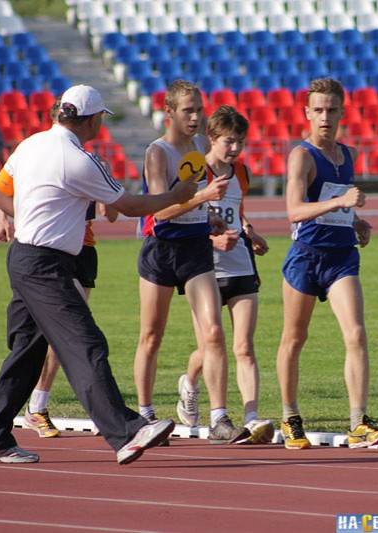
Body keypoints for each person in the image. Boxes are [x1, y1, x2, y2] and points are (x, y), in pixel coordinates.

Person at [0, 84, 196, 465]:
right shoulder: (78, 159)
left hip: (24, 256)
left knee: (27, 352)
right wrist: (178, 196)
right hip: (46, 265)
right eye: (99, 120)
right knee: (85, 343)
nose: (100, 127)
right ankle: (126, 431)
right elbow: (129, 205)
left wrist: (29, 220)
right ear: (90, 120)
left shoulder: (31, 144)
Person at [275, 78, 378, 450]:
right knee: (295, 339)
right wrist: (340, 204)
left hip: (342, 257)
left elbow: (335, 207)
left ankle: (358, 422)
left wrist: (356, 223)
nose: (325, 117)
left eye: (332, 110)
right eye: (319, 111)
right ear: (307, 113)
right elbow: (294, 211)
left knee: (356, 334)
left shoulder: (348, 155)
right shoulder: (302, 156)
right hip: (306, 258)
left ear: (342, 112)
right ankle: (291, 415)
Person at [134, 80, 249, 445]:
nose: (197, 117)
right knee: (152, 335)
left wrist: (210, 218)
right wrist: (202, 197)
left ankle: (219, 418)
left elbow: (196, 203)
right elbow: (160, 209)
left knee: (214, 332)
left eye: (199, 109)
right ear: (169, 112)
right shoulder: (158, 152)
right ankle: (145, 415)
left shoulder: (201, 146)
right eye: (189, 110)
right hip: (162, 248)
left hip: (196, 247)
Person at [0, 101, 116, 439]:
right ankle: (116, 425)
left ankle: (14, 419)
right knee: (74, 337)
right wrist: (15, 217)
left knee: (48, 340)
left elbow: (113, 213)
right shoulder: (46, 155)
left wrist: (104, 188)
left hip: (81, 248)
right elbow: (3, 192)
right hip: (47, 253)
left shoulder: (89, 163)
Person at [178, 105, 274, 444]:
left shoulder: (241, 173)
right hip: (202, 268)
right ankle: (189, 383)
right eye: (229, 142)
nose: (234, 149)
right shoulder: (192, 169)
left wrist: (250, 231)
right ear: (212, 138)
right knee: (208, 345)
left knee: (244, 347)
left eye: (240, 143)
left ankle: (251, 418)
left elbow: (237, 210)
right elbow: (178, 215)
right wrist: (211, 237)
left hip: (240, 264)